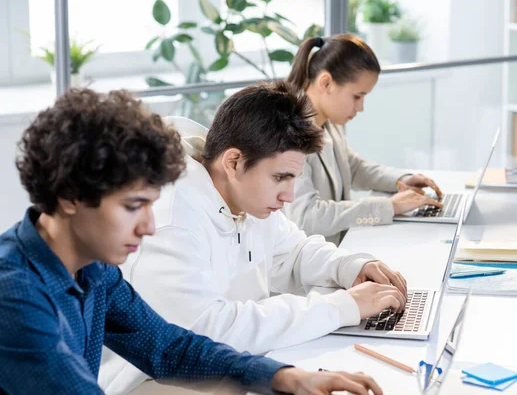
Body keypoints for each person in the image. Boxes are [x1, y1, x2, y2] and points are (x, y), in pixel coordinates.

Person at [0, 88, 383, 395]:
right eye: (134, 206)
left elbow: (169, 347)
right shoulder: (14, 296)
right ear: (70, 197)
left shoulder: (93, 268)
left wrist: (282, 377)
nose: (149, 227)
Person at [98, 81, 407, 394]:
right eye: (280, 178)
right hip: (153, 381)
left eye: (293, 179)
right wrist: (339, 308)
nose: (288, 196)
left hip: (233, 360)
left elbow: (294, 252)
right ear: (233, 162)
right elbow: (208, 331)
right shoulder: (172, 219)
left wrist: (348, 266)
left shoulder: (247, 198)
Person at [283, 34, 444, 245]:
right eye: (357, 96)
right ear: (326, 82)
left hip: (334, 255)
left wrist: (403, 179)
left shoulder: (328, 122)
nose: (360, 108)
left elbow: (354, 167)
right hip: (307, 269)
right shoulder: (290, 135)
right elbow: (306, 217)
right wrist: (389, 207)